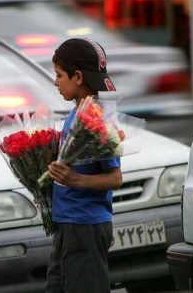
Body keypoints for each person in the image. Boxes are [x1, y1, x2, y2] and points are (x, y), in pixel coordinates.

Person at [45, 38, 122, 293]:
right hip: (68, 223)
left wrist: (75, 180)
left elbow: (114, 177)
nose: (55, 82)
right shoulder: (78, 110)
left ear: (77, 77)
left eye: (59, 75)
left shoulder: (99, 116)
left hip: (85, 227)